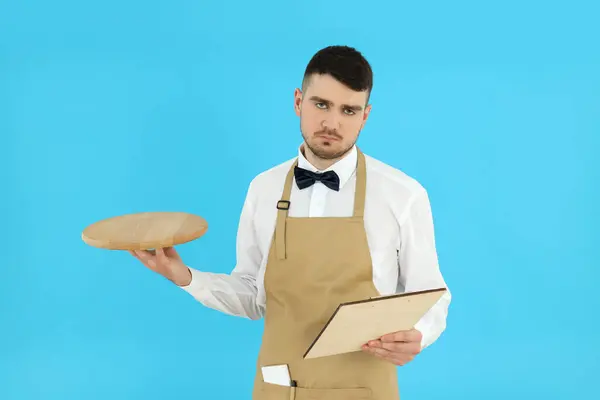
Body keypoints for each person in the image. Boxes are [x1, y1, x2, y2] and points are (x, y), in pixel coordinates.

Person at [130, 45, 451, 399]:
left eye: (349, 110)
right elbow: (254, 296)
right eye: (321, 104)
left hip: (365, 389)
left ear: (365, 116)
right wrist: (185, 277)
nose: (333, 122)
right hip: (279, 389)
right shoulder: (263, 188)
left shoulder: (402, 194)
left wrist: (418, 333)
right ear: (298, 101)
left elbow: (431, 295)